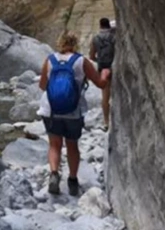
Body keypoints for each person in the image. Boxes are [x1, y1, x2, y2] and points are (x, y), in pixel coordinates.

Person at [38, 31, 109, 196]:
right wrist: (105, 74)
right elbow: (100, 84)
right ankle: (72, 180)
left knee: (54, 144)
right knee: (72, 145)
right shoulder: (81, 61)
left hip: (51, 110)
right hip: (73, 111)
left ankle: (54, 174)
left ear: (60, 43)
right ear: (75, 43)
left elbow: (42, 86)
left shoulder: (50, 60)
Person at [89, 18, 116, 131]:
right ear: (108, 25)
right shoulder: (114, 37)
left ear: (100, 26)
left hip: (102, 68)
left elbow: (91, 56)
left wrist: (98, 60)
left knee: (105, 97)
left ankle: (106, 123)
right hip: (114, 66)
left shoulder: (95, 38)